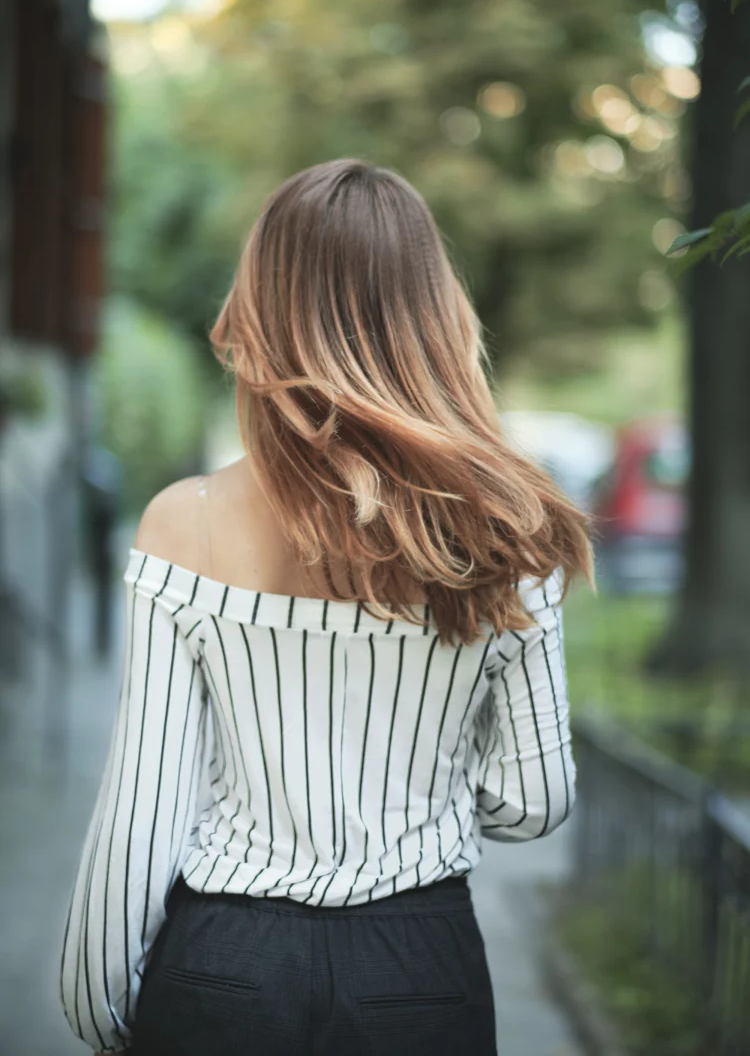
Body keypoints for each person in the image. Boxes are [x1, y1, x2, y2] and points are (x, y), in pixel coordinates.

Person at [59, 159, 594, 1056]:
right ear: (435, 315)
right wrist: (425, 798)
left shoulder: (180, 524)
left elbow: (142, 809)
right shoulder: (512, 529)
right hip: (419, 965)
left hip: (222, 963)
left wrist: (96, 1004)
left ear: (263, 314)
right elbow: (535, 799)